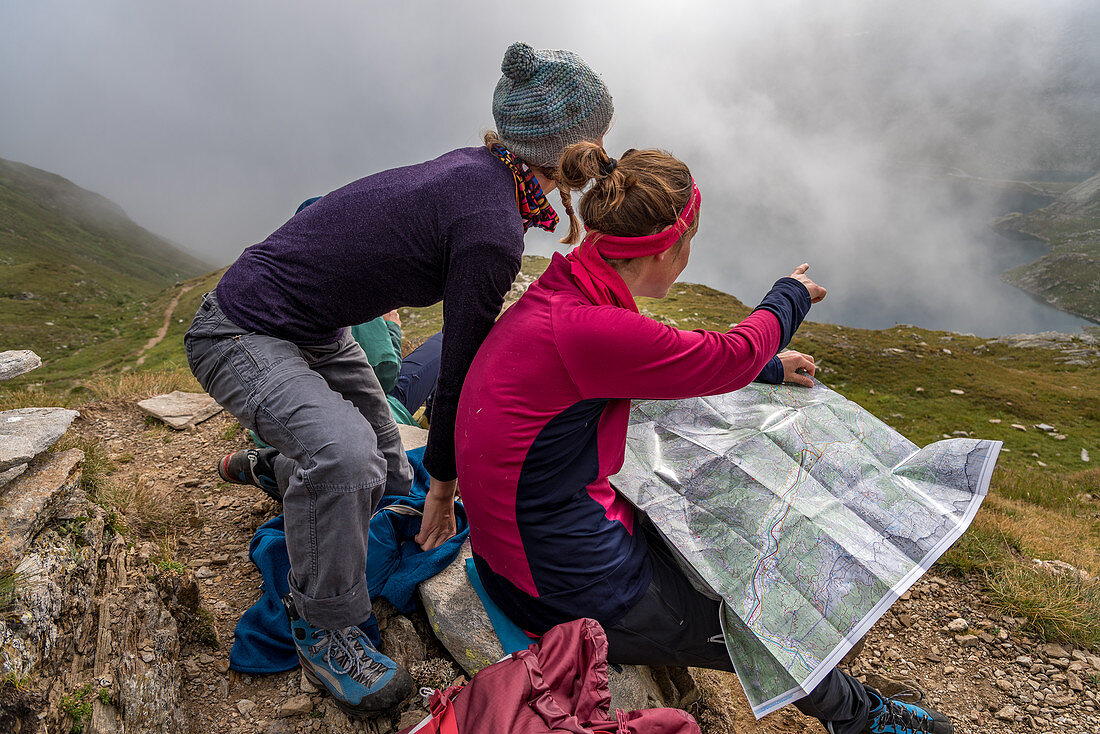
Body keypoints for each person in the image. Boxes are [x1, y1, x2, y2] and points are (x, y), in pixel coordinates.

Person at [454, 143, 953, 734]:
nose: (691, 255)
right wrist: (789, 294)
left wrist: (766, 370)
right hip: (564, 591)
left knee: (722, 534)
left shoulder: (569, 291)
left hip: (534, 552)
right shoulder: (585, 328)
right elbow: (729, 354)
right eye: (691, 242)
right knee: (766, 622)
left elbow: (658, 364)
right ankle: (863, 720)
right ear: (668, 248)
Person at [184, 41, 614, 717]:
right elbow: (458, 378)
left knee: (387, 477)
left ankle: (281, 466)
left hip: (310, 329)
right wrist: (444, 492)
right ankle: (323, 623)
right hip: (238, 330)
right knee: (351, 462)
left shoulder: (484, 170)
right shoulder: (490, 225)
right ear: (573, 152)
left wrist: (424, 484)